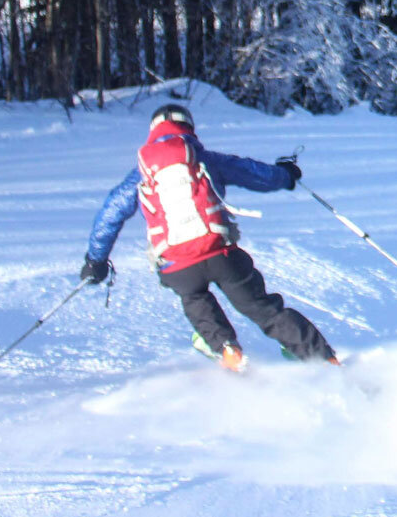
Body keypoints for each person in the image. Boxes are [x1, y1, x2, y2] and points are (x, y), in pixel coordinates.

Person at [80, 101, 338, 369]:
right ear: (189, 128)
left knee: (195, 300)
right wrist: (286, 175)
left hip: (177, 267)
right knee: (264, 310)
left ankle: (227, 350)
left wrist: (95, 260)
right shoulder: (205, 160)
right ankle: (324, 359)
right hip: (221, 255)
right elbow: (254, 174)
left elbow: (110, 213)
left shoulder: (142, 175)